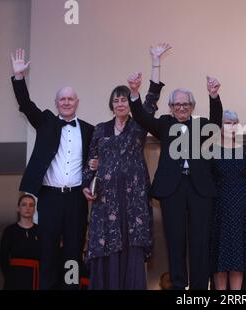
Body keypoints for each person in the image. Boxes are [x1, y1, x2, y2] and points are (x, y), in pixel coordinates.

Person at [129, 51, 223, 290]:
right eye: (177, 104)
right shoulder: (164, 124)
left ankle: (201, 290)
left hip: (200, 189)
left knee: (200, 242)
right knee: (175, 240)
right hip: (173, 189)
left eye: (186, 104)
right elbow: (140, 116)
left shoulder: (202, 126)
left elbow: (217, 121)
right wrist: (134, 93)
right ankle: (179, 288)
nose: (181, 107)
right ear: (171, 107)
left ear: (192, 106)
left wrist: (214, 96)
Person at [81, 44, 171, 289]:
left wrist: (155, 62)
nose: (120, 103)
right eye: (116, 100)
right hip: (105, 200)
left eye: (124, 99)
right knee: (106, 249)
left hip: (133, 199)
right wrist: (86, 184)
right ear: (111, 105)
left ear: (130, 104)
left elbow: (152, 98)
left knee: (132, 246)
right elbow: (89, 164)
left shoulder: (139, 125)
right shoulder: (100, 129)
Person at [10, 49, 94, 289]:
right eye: (62, 99)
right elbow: (26, 105)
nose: (66, 102)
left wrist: (94, 169)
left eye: (70, 99)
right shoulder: (45, 122)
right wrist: (18, 77)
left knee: (73, 251)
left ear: (77, 102)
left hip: (76, 198)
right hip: (49, 197)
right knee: (47, 249)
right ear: (56, 103)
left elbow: (94, 162)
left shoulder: (89, 130)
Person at [211, 110, 246, 290]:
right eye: (227, 122)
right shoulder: (211, 150)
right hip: (220, 207)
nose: (231, 126)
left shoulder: (244, 150)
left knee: (238, 258)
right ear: (220, 125)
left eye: (234, 123)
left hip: (241, 207)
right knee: (220, 259)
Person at [0, 194, 40, 290]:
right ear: (18, 208)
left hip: (35, 276)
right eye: (24, 205)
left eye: (31, 205)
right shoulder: (10, 231)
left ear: (34, 209)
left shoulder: (40, 231)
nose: (27, 208)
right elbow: (3, 256)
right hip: (14, 276)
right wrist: (9, 275)